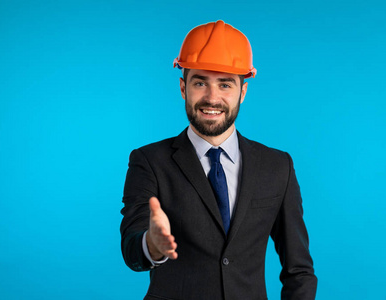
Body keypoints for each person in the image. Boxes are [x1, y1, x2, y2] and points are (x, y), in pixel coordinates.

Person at [120, 20, 317, 300]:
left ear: (242, 92)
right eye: (200, 82)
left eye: (225, 85)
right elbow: (131, 249)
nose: (212, 98)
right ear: (183, 88)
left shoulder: (277, 167)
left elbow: (299, 271)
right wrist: (151, 245)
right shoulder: (149, 161)